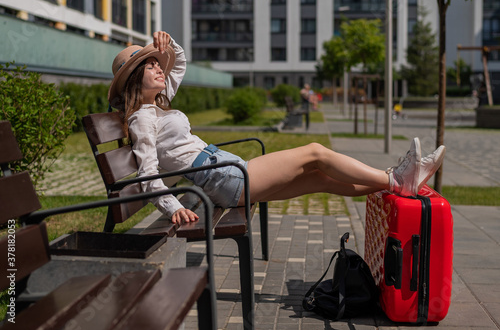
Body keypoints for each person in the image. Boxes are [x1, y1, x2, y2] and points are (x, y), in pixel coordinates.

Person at [108, 31, 446, 225]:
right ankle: (396, 179)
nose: (158, 67)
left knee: (321, 179)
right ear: (135, 78)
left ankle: (396, 184)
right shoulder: (143, 117)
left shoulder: (157, 105)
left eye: (156, 62)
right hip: (222, 178)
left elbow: (179, 62)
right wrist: (173, 207)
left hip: (224, 172)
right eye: (149, 65)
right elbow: (147, 173)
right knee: (314, 152)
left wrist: (168, 45)